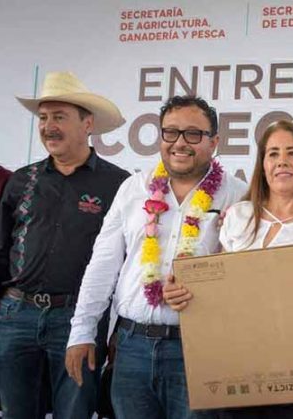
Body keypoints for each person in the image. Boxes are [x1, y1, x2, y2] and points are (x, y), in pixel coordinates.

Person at [65, 95, 247, 419]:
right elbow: (103, 265)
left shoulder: (239, 195)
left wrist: (203, 289)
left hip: (201, 351)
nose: (180, 143)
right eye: (170, 132)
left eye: (194, 134)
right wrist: (81, 331)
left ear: (214, 142)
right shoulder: (133, 188)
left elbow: (248, 279)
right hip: (131, 349)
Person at [164, 120, 293, 418]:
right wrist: (182, 289)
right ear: (262, 165)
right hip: (238, 374)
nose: (281, 161)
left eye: (292, 153)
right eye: (273, 154)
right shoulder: (238, 215)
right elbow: (217, 288)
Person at [0, 71, 129, 419]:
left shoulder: (119, 184)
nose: (48, 127)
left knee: (74, 412)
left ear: (88, 124)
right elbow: (1, 251)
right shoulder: (21, 180)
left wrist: (117, 332)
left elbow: (128, 264)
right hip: (15, 315)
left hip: (78, 319)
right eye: (43, 118)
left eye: (59, 117)